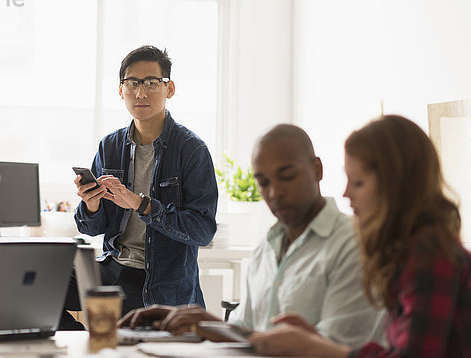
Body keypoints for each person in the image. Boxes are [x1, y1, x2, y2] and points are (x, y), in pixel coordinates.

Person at [120, 124, 384, 347]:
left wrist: (206, 323)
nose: (275, 192)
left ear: (317, 169)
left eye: (287, 176)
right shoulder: (266, 249)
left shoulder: (353, 245)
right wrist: (193, 319)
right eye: (264, 182)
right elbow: (243, 330)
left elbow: (336, 348)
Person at [249, 115, 471, 357]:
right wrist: (316, 342)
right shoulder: (408, 253)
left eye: (357, 183)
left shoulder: (430, 256)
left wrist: (317, 348)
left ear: (394, 186)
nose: (346, 193)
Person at [73, 45, 218, 315]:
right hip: (113, 269)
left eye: (152, 83)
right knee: (40, 287)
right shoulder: (110, 146)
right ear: (120, 90)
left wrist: (142, 205)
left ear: (169, 89)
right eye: (132, 83)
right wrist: (91, 205)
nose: (140, 93)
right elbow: (90, 228)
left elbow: (203, 231)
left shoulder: (191, 150)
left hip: (162, 282)